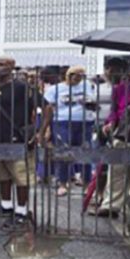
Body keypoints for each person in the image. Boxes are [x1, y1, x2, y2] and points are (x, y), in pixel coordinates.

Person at [90, 57, 130, 218]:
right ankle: (111, 205)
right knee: (117, 171)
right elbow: (115, 111)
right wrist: (110, 123)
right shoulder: (122, 88)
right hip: (124, 132)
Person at [0, 56, 47, 228]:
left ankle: (22, 211)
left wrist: (40, 133)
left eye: (2, 64)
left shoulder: (22, 87)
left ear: (12, 67)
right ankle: (6, 207)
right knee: (3, 176)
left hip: (18, 140)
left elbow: (47, 107)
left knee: (22, 178)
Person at [42, 66, 97, 196]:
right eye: (75, 75)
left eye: (81, 76)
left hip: (85, 122)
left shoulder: (87, 85)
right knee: (63, 152)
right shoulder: (55, 89)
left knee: (85, 152)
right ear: (68, 75)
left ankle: (86, 183)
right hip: (62, 122)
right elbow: (48, 108)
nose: (78, 78)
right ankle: (62, 183)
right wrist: (47, 128)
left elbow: (94, 103)